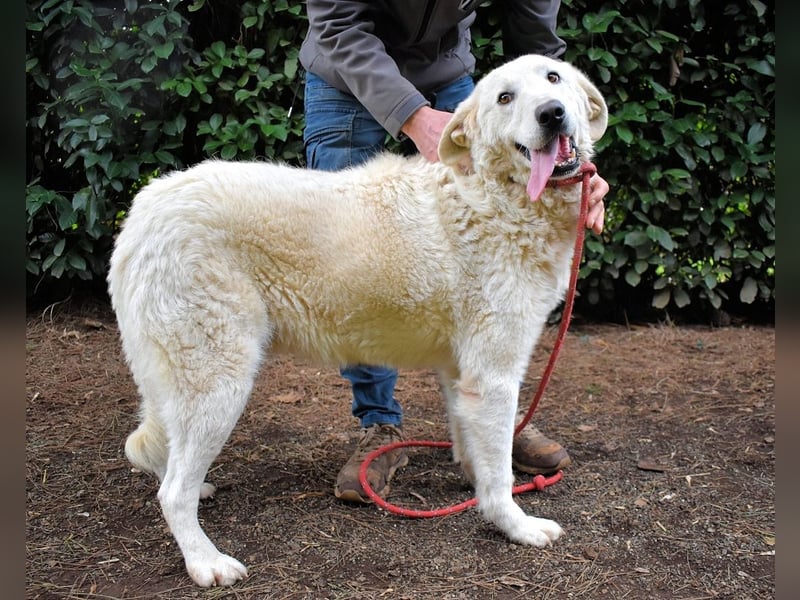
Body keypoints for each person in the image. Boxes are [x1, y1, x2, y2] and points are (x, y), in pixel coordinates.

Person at [298, 0, 610, 503]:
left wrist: (567, 153)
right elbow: (337, 25)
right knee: (357, 256)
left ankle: (483, 428)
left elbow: (536, 43)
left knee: (482, 258)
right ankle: (379, 425)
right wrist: (413, 117)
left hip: (449, 75)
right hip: (348, 79)